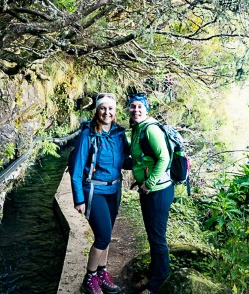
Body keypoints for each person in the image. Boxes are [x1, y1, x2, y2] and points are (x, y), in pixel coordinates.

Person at [69, 93, 130, 294]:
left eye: (110, 109)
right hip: (94, 190)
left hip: (114, 189)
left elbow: (126, 160)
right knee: (103, 237)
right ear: (97, 110)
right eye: (103, 108)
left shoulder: (119, 134)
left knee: (107, 235)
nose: (107, 112)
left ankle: (102, 273)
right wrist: (79, 198)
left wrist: (149, 161)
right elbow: (77, 169)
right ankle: (90, 277)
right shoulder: (88, 133)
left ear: (115, 111)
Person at [127, 93, 175, 294]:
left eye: (140, 106)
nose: (136, 110)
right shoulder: (137, 129)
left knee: (157, 238)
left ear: (146, 110)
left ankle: (159, 283)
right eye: (132, 106)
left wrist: (148, 183)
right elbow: (141, 160)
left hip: (158, 190)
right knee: (153, 235)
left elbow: (164, 158)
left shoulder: (151, 129)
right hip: (149, 190)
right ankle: (155, 274)